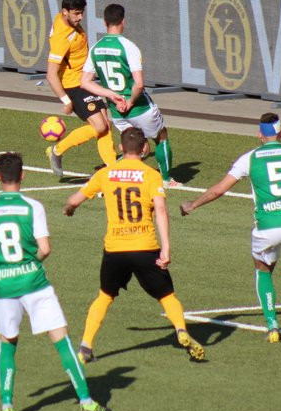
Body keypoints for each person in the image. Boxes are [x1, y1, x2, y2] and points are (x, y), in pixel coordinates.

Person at [0, 152, 111, 411]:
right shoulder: (33, 207)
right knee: (62, 341)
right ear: (22, 176)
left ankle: (7, 407)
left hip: (4, 287)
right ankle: (87, 403)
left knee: (7, 345)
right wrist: (31, 262)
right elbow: (45, 249)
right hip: (35, 284)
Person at [180, 113, 281, 341]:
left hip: (266, 225)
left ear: (259, 135)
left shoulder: (249, 158)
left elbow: (219, 190)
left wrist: (192, 204)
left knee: (264, 270)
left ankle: (272, 325)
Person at [64, 128, 205, 364]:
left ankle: (85, 346)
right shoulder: (151, 175)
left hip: (115, 248)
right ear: (145, 149)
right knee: (167, 296)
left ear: (120, 148)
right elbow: (160, 209)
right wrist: (166, 247)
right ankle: (181, 330)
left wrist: (69, 208)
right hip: (145, 246)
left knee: (105, 296)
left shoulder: (106, 173)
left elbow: (75, 200)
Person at [80, 3, 178, 186]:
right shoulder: (129, 47)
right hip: (138, 107)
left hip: (116, 111)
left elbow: (84, 82)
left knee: (134, 149)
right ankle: (166, 180)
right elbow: (139, 84)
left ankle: (104, 179)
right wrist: (131, 101)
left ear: (104, 22)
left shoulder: (96, 48)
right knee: (161, 137)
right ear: (123, 21)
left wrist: (110, 94)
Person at [44, 0, 116, 178]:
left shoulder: (64, 19)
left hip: (84, 81)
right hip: (73, 86)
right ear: (65, 12)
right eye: (76, 13)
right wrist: (66, 100)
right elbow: (51, 74)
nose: (80, 17)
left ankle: (112, 167)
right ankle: (57, 151)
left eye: (81, 12)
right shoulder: (62, 38)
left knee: (105, 123)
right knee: (100, 126)